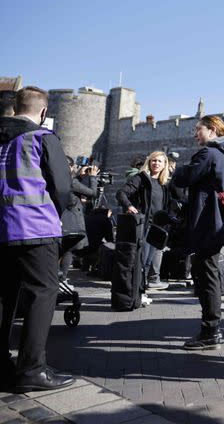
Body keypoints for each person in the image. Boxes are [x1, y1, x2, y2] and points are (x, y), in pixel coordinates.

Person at [0, 86, 75, 391]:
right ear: (43, 113)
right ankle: (31, 369)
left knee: (4, 297)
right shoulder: (42, 137)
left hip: (2, 229)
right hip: (35, 228)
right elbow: (62, 187)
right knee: (41, 295)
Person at [173, 115, 224, 350]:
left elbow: (184, 178)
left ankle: (210, 330)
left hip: (207, 222)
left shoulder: (209, 153)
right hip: (220, 221)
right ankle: (210, 327)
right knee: (208, 272)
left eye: (198, 129)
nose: (195, 134)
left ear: (212, 130)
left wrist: (177, 170)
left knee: (207, 276)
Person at [116, 151, 176, 293]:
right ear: (148, 162)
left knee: (149, 261)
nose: (156, 163)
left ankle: (142, 289)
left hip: (158, 227)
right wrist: (130, 207)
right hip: (144, 225)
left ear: (164, 165)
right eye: (153, 160)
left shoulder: (165, 183)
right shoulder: (141, 178)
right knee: (141, 261)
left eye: (159, 161)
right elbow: (121, 193)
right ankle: (136, 291)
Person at [59, 159, 99, 285]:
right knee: (68, 250)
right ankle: (62, 279)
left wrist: (78, 176)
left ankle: (59, 278)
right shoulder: (71, 181)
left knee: (61, 250)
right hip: (70, 221)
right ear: (70, 167)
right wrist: (92, 177)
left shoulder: (57, 179)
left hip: (59, 219)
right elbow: (93, 193)